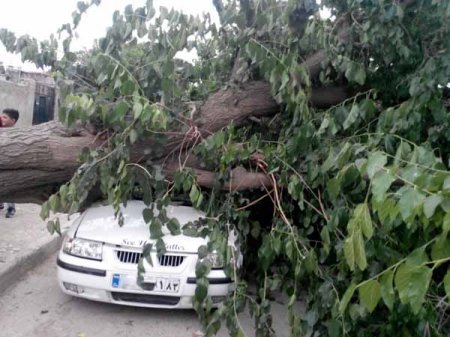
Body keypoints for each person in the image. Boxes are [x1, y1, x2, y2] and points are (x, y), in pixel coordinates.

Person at [0, 108, 19, 218]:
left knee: (10, 187)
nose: (2, 119)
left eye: (5, 117)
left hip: (11, 164)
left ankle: (11, 208)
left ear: (13, 121)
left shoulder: (17, 134)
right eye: (1, 116)